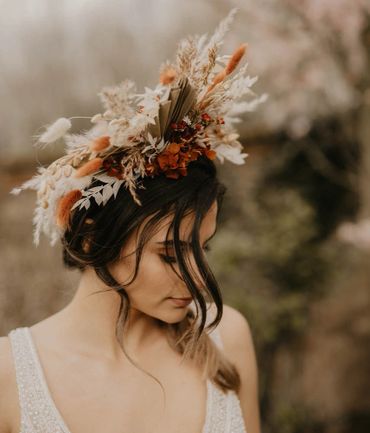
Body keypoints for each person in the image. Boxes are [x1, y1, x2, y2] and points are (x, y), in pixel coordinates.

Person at [0, 9, 265, 433]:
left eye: (202, 248)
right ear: (91, 237)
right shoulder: (8, 377)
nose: (198, 276)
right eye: (171, 252)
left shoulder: (227, 338)